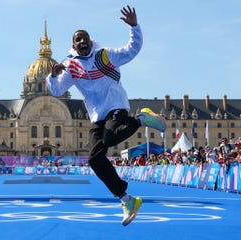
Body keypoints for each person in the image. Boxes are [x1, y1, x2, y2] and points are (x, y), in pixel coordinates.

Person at [46, 5, 167, 226]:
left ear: (90, 41)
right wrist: (53, 77)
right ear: (73, 45)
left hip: (116, 105)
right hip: (97, 116)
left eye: (85, 39)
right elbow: (55, 91)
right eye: (78, 40)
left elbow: (132, 49)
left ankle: (141, 118)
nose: (82, 43)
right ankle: (126, 199)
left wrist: (134, 27)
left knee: (111, 138)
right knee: (94, 158)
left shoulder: (105, 55)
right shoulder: (70, 66)